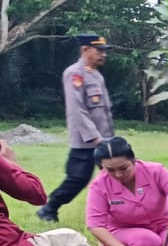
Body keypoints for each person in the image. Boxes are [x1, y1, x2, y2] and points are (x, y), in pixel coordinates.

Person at [85, 137, 168, 246]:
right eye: (110, 170)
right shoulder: (99, 186)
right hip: (124, 230)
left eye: (124, 168)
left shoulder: (156, 171)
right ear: (101, 168)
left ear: (133, 160)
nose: (119, 174)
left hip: (165, 223)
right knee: (146, 243)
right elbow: (95, 225)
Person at [38, 34, 114, 223]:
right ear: (85, 50)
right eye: (99, 50)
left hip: (105, 138)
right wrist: (95, 138)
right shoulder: (75, 73)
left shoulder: (95, 74)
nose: (103, 54)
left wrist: (109, 138)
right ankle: (49, 207)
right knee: (78, 178)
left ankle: (116, 212)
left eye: (104, 51)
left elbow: (103, 111)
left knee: (115, 174)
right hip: (86, 141)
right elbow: (76, 109)